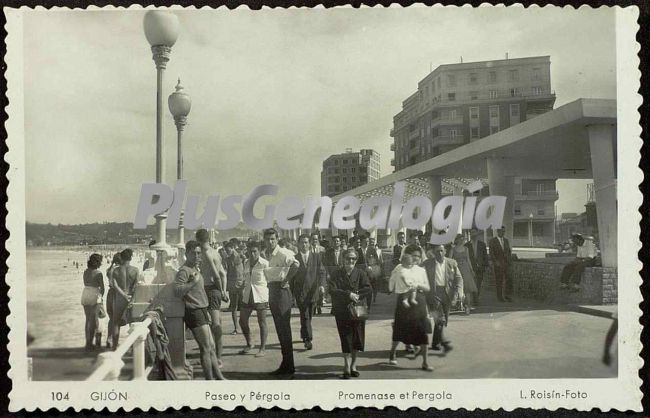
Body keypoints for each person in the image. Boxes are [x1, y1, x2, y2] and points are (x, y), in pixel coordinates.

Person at [174, 240, 226, 380]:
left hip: (202, 310)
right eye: (194, 253)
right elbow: (177, 291)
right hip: (194, 312)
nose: (197, 256)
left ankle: (219, 377)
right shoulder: (184, 271)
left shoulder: (195, 269)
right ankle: (209, 380)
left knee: (211, 345)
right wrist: (192, 283)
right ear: (187, 253)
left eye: (199, 253)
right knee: (206, 347)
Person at [328, 248, 372, 379]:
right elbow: (332, 289)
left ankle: (354, 365)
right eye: (348, 258)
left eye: (353, 259)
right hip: (342, 310)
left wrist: (356, 295)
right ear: (343, 259)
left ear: (356, 260)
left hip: (357, 310)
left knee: (357, 338)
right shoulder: (336, 273)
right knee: (346, 339)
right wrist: (348, 294)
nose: (350, 261)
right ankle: (346, 366)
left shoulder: (361, 273)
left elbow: (368, 288)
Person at [388, 245, 433, 371]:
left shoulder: (421, 270)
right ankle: (393, 352)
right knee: (400, 329)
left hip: (419, 301)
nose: (416, 258)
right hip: (404, 301)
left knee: (422, 331)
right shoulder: (399, 267)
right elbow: (392, 285)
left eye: (418, 256)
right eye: (414, 255)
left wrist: (417, 285)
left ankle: (425, 362)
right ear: (407, 256)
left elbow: (427, 288)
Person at [262, 228, 300, 376]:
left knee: (284, 329)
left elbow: (296, 265)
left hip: (282, 292)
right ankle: (285, 364)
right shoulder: (268, 254)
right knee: (279, 328)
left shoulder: (283, 252)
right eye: (267, 239)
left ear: (277, 239)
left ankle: (289, 366)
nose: (270, 242)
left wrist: (286, 279)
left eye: (272, 239)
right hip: (272, 290)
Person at [195, 229, 228, 368]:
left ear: (198, 240)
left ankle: (218, 359)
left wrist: (221, 291)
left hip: (211, 289)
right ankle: (213, 356)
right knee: (214, 324)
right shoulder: (216, 252)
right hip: (214, 289)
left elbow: (216, 275)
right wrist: (224, 291)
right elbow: (223, 273)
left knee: (214, 325)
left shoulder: (206, 254)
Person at [422, 244, 463, 353]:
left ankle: (438, 340)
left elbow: (459, 278)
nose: (439, 253)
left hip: (447, 293)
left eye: (441, 251)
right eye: (437, 251)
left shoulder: (452, 263)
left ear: (445, 251)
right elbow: (417, 271)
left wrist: (459, 291)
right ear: (434, 253)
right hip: (433, 294)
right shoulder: (427, 263)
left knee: (444, 320)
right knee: (440, 319)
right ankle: (439, 342)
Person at [293, 234, 327, 350]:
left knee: (309, 316)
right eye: (302, 242)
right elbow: (292, 277)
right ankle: (308, 339)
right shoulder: (295, 258)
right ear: (298, 244)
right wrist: (293, 294)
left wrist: (322, 285)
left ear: (310, 243)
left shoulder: (316, 257)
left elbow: (322, 272)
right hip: (301, 293)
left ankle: (304, 334)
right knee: (305, 316)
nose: (304, 245)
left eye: (306, 242)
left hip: (313, 293)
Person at [239, 241, 269, 357]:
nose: (252, 254)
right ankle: (249, 343)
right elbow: (246, 279)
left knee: (262, 322)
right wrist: (241, 284)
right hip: (248, 295)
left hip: (261, 296)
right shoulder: (246, 263)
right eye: (250, 251)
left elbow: (270, 280)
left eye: (254, 251)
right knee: (242, 320)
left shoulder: (265, 263)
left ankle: (262, 348)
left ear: (259, 251)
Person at [110, 248, 139, 349]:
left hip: (119, 298)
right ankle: (133, 347)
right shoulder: (135, 270)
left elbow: (115, 285)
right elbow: (136, 286)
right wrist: (132, 298)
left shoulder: (116, 270)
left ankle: (114, 346)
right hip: (131, 297)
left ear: (121, 258)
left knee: (116, 322)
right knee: (132, 322)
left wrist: (123, 295)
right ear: (130, 258)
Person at [81, 253, 104, 351]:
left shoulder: (85, 272)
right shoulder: (98, 273)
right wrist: (101, 298)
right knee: (94, 320)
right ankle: (92, 343)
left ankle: (88, 343)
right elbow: (102, 288)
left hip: (85, 293)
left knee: (88, 320)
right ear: (98, 262)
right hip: (94, 294)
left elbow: (86, 283)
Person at [449, 234, 478, 314]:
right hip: (457, 269)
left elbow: (468, 260)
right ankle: (459, 304)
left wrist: (471, 270)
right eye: (460, 239)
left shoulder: (466, 249)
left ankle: (467, 306)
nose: (462, 241)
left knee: (467, 288)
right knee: (457, 287)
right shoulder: (453, 249)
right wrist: (450, 271)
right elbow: (449, 261)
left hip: (466, 269)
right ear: (457, 240)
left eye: (463, 239)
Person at [224, 241, 244, 335]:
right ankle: (236, 327)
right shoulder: (228, 259)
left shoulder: (241, 256)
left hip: (241, 284)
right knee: (233, 307)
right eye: (226, 250)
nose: (227, 252)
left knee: (245, 307)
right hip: (233, 285)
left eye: (228, 250)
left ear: (233, 248)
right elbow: (228, 273)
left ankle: (243, 326)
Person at [489, 226, 513, 302]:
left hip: (506, 263)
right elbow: (491, 253)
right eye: (501, 231)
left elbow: (508, 251)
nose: (503, 233)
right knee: (499, 280)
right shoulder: (493, 241)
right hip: (498, 264)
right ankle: (499, 296)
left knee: (509, 279)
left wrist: (509, 260)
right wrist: (496, 262)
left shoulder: (506, 241)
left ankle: (507, 295)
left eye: (504, 231)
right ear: (498, 232)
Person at [466, 228, 489, 306]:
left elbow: (485, 256)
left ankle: (476, 299)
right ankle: (475, 299)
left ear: (477, 234)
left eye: (475, 233)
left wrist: (485, 266)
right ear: (470, 234)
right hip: (471, 268)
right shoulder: (466, 245)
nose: (473, 234)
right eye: (472, 233)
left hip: (480, 268)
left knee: (478, 284)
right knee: (472, 284)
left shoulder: (482, 244)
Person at [104, 253, 122, 349]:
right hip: (117, 294)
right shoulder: (119, 270)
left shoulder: (109, 269)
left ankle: (109, 339)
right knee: (117, 321)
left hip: (110, 294)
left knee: (111, 319)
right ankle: (115, 343)